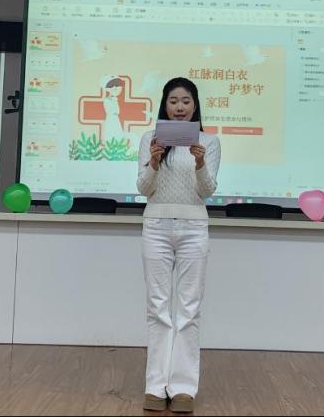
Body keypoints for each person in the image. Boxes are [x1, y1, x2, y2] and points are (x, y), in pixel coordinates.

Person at [136, 77, 221, 413]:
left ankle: (184, 388)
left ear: (195, 105)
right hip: (156, 226)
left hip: (194, 227)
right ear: (165, 105)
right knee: (157, 307)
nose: (180, 107)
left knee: (189, 309)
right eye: (173, 101)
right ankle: (156, 387)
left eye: (186, 101)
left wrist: (200, 164)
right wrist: (154, 163)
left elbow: (208, 190)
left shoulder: (209, 141)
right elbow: (143, 188)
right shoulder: (150, 139)